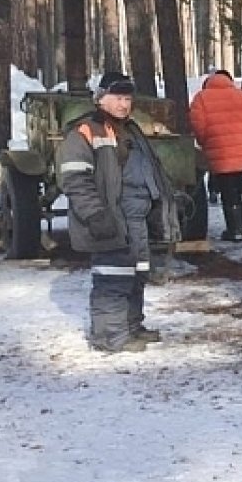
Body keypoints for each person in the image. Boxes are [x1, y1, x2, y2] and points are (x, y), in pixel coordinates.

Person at [57, 70, 181, 353]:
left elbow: (150, 171)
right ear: (100, 98)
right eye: (117, 97)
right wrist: (95, 215)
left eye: (127, 98)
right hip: (110, 218)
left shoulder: (131, 129)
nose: (124, 104)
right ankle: (109, 337)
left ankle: (132, 327)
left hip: (136, 220)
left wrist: (167, 200)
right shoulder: (86, 131)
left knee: (136, 275)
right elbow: (74, 179)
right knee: (113, 278)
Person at [189, 69, 242, 241]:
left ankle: (234, 230)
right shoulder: (241, 96)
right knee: (241, 182)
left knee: (227, 188)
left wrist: (205, 141)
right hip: (241, 150)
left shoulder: (201, 98)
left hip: (218, 150)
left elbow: (198, 125)